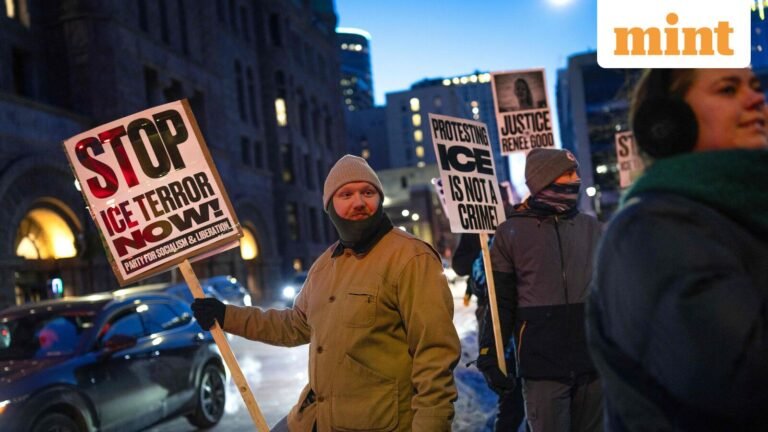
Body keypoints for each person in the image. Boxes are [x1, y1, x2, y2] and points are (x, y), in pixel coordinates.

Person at [192, 154, 461, 431]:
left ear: (379, 199)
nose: (359, 202)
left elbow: (435, 355)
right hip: (316, 417)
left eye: (368, 192)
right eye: (346, 194)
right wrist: (226, 316)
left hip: (377, 423)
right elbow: (295, 326)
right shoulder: (324, 265)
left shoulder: (411, 258)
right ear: (330, 205)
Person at [586, 68, 768, 431]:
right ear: (669, 120)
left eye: (755, 86)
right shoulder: (649, 230)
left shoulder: (735, 212)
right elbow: (743, 377)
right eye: (728, 89)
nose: (755, 99)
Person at [485, 148, 603, 432]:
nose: (576, 179)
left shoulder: (591, 227)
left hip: (593, 364)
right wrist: (490, 352)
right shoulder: (510, 232)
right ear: (544, 179)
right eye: (568, 173)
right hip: (542, 367)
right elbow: (501, 301)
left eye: (575, 172)